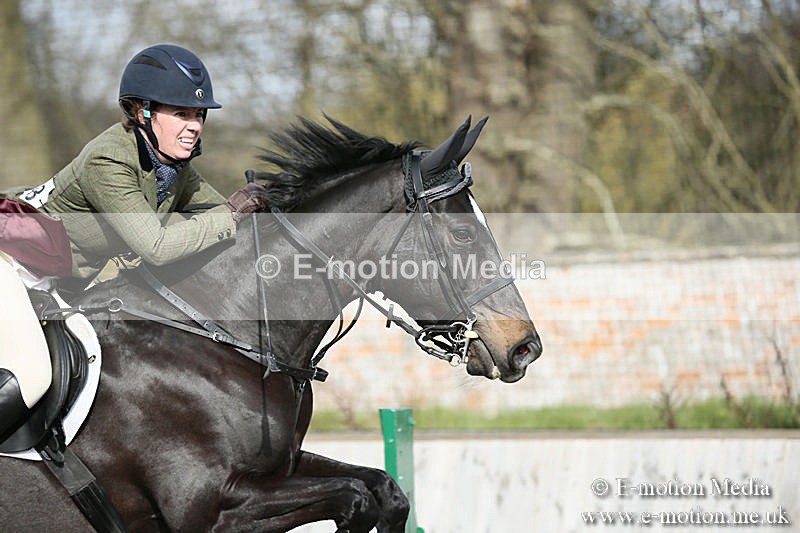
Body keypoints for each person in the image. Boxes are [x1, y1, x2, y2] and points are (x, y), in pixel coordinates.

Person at [0, 44, 268, 442]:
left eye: (198, 115)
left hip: (46, 280)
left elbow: (225, 219)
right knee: (34, 373)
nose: (194, 126)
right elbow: (157, 246)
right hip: (8, 261)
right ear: (142, 112)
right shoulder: (108, 160)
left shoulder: (172, 168)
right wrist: (232, 214)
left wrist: (275, 211)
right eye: (181, 114)